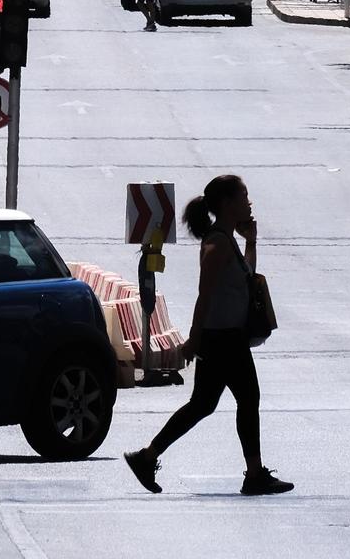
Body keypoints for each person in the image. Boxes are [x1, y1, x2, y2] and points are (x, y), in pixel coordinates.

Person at [124, 174, 292, 498]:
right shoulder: (216, 243)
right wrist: (193, 339)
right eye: (244, 196)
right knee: (247, 398)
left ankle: (147, 457)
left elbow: (246, 277)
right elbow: (205, 294)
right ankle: (254, 474)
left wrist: (251, 242)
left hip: (224, 337)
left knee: (202, 404)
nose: (249, 202)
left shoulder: (226, 239)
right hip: (222, 339)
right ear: (228, 204)